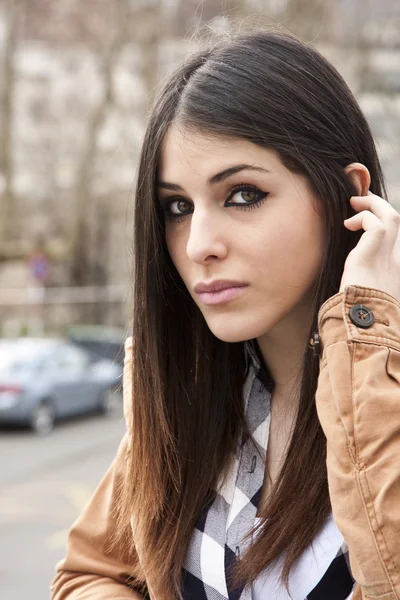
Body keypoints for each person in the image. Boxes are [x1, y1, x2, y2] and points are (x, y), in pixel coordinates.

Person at [50, 29, 400, 600]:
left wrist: (367, 353)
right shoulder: (187, 384)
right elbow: (93, 573)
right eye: (178, 207)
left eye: (242, 194)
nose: (197, 245)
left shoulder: (387, 386)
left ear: (348, 196)